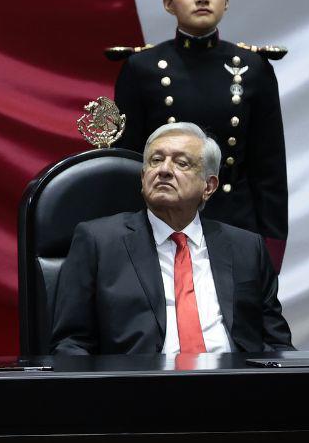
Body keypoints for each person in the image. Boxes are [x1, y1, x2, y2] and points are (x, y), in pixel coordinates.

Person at [50, 122, 292, 355]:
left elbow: (276, 342)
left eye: (181, 163)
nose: (164, 170)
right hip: (139, 387)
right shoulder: (98, 242)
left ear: (208, 186)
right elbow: (71, 344)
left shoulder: (247, 247)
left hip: (234, 385)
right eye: (156, 160)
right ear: (143, 177)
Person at [110, 0, 287, 266]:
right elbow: (127, 162)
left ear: (226, 1)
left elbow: (269, 168)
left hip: (236, 222)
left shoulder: (253, 67)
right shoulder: (142, 68)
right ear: (169, 3)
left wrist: (271, 244)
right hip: (160, 221)